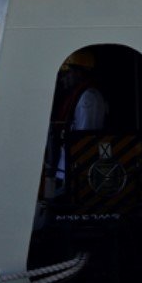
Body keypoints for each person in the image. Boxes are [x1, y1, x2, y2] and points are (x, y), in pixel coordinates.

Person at [48, 50, 108, 190]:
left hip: (76, 167)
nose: (63, 79)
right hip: (65, 165)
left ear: (79, 73)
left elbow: (84, 135)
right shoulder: (76, 96)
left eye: (67, 73)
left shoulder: (89, 98)